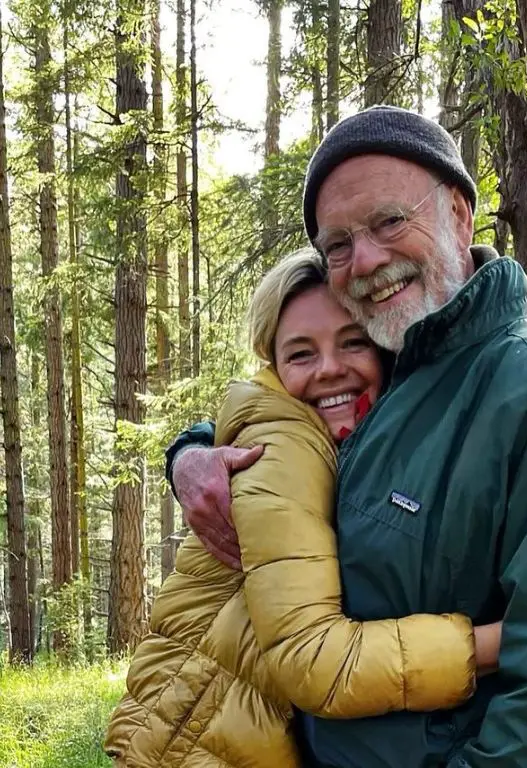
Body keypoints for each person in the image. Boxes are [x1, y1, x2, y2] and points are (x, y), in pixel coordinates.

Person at [167, 106, 527, 767]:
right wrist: (191, 452)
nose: (365, 259)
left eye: (389, 221)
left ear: (459, 214)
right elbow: (279, 414)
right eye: (337, 244)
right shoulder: (390, 361)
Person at [104, 248, 502, 768]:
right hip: (195, 742)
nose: (330, 371)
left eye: (352, 342)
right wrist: (508, 641)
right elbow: (316, 661)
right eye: (300, 354)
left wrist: (190, 448)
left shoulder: (357, 443)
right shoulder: (285, 447)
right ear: (272, 362)